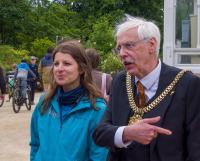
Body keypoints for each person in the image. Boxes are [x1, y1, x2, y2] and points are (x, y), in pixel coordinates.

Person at [93, 15, 200, 161]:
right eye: (119, 48)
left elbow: (196, 149)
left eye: (129, 45)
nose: (122, 54)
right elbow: (99, 134)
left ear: (152, 45)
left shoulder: (187, 84)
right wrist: (127, 133)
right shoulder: (120, 81)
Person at [30, 41, 108, 161]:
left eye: (66, 63)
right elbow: (35, 144)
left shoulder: (96, 109)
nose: (59, 69)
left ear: (81, 69)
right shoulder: (44, 102)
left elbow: (99, 155)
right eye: (56, 64)